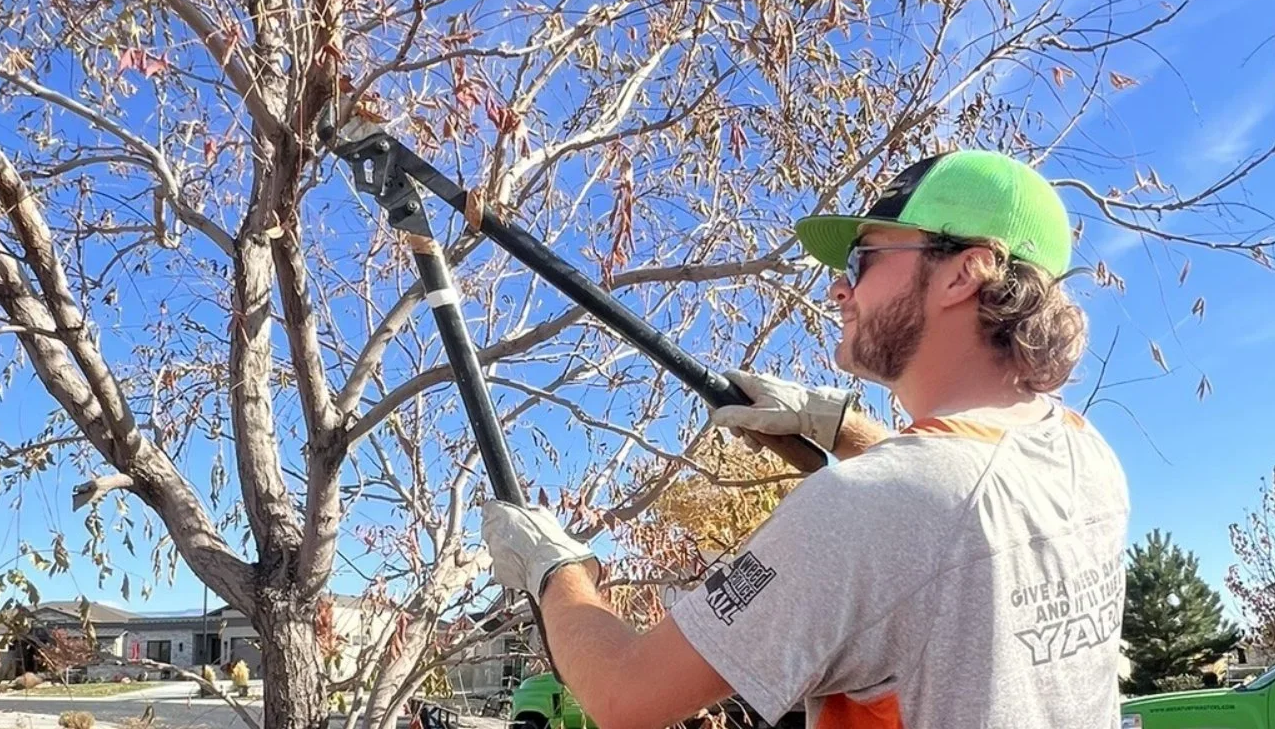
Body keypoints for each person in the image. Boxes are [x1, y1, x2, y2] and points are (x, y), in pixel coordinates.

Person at [481, 150, 1130, 729]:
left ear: (964, 273)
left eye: (864, 258)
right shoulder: (1080, 453)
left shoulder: (873, 505)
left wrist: (555, 568)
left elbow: (624, 695)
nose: (839, 288)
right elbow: (954, 507)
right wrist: (838, 425)